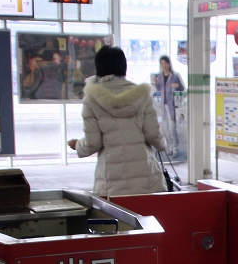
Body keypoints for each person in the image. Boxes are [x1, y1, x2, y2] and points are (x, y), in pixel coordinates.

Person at [67, 46, 168, 196]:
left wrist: (78, 145)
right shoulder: (142, 95)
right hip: (145, 178)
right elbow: (153, 135)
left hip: (111, 183)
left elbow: (93, 142)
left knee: (115, 218)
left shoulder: (91, 99)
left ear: (98, 68)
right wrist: (162, 144)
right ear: (124, 67)